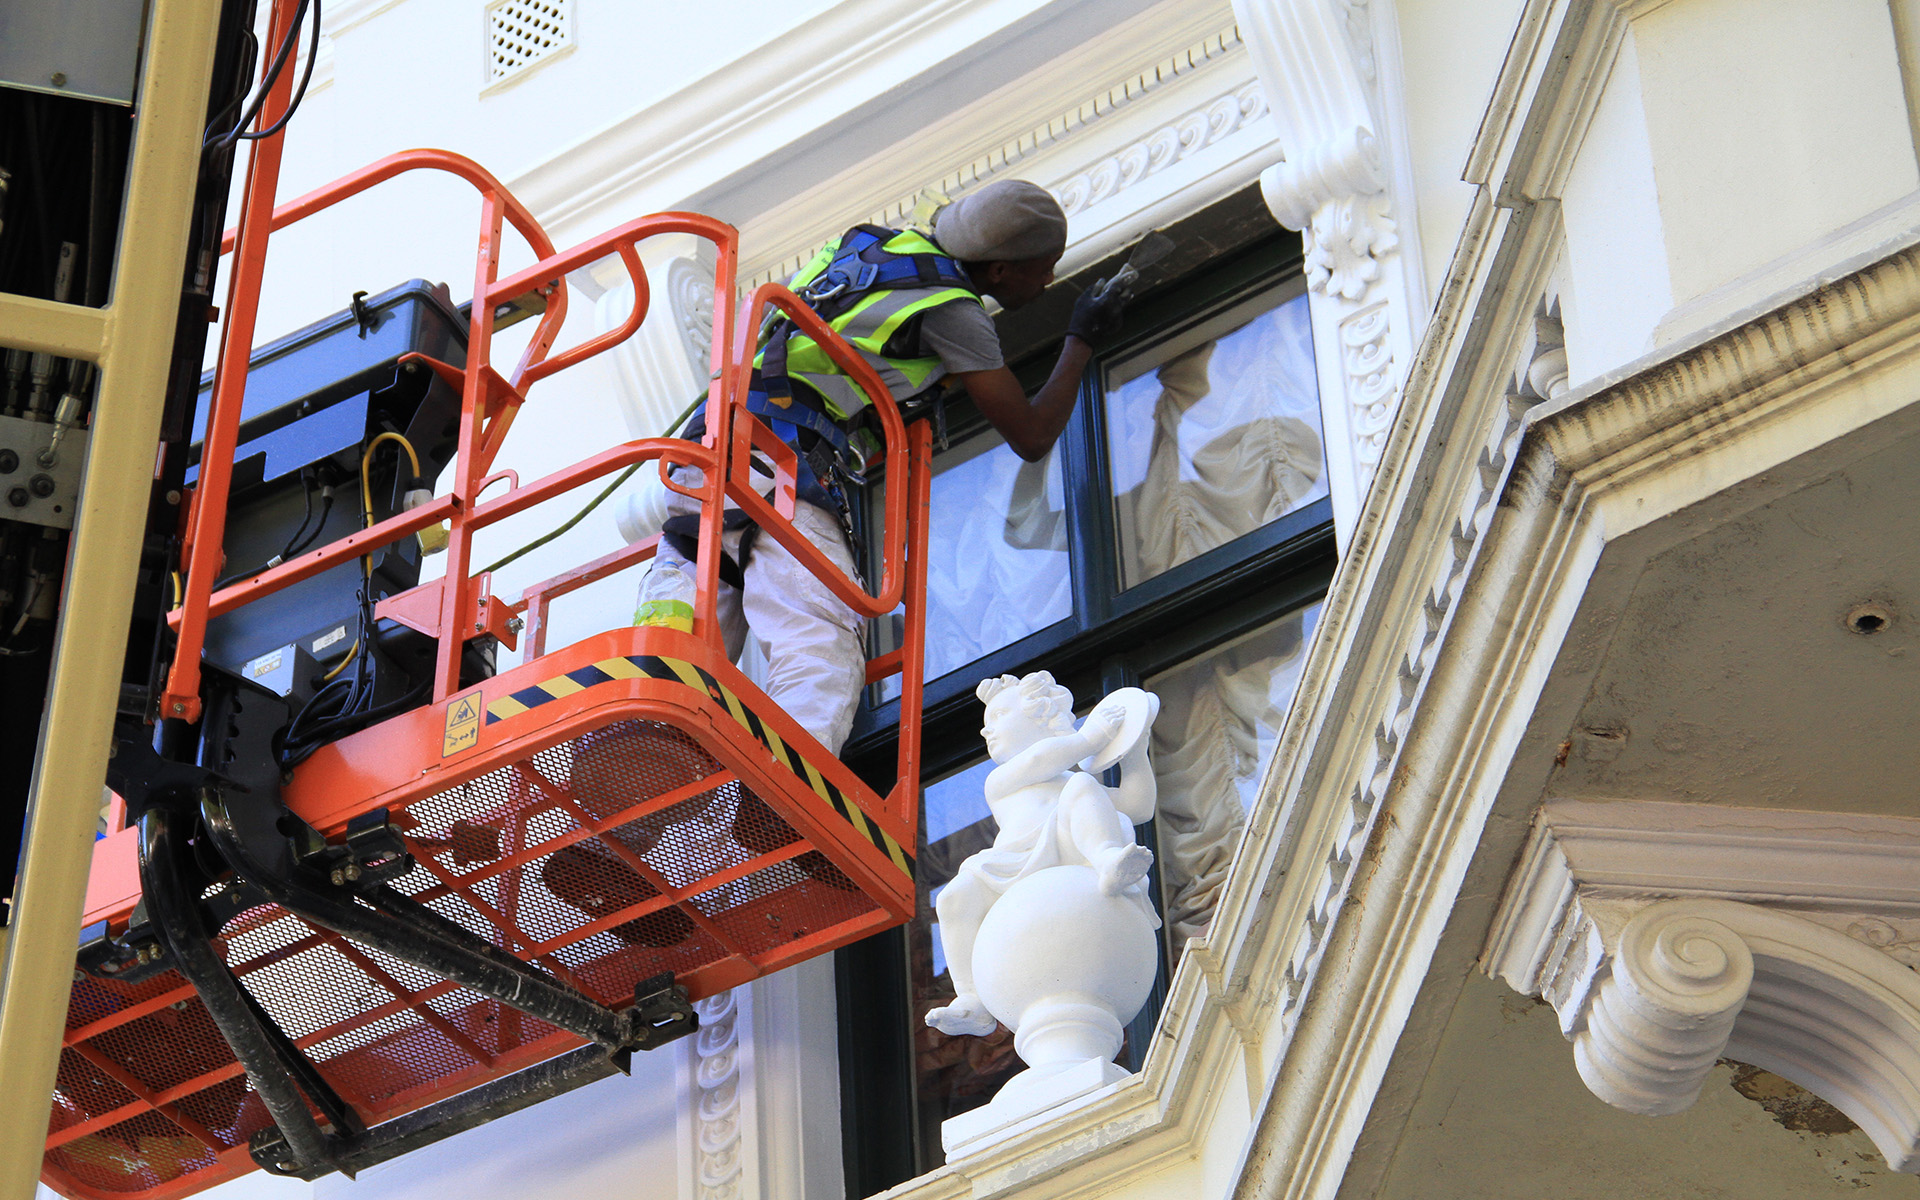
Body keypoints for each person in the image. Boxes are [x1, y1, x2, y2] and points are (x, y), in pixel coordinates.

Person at [633, 179, 1131, 755]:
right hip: (784, 465)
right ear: (998, 271)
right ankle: (782, 800)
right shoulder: (953, 310)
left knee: (684, 619)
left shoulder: (872, 248)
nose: (1046, 282)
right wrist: (1082, 338)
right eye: (1044, 268)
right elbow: (1032, 433)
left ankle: (630, 755)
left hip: (709, 451)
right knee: (820, 647)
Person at [924, 671, 1159, 1038]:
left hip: (1068, 846)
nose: (987, 731)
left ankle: (1108, 859)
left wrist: (1134, 753)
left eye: (999, 717)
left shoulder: (1076, 787)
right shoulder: (999, 781)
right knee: (953, 898)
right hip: (1012, 864)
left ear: (1040, 717)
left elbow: (1137, 805)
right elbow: (1038, 762)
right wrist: (1090, 739)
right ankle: (972, 998)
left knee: (1082, 785)